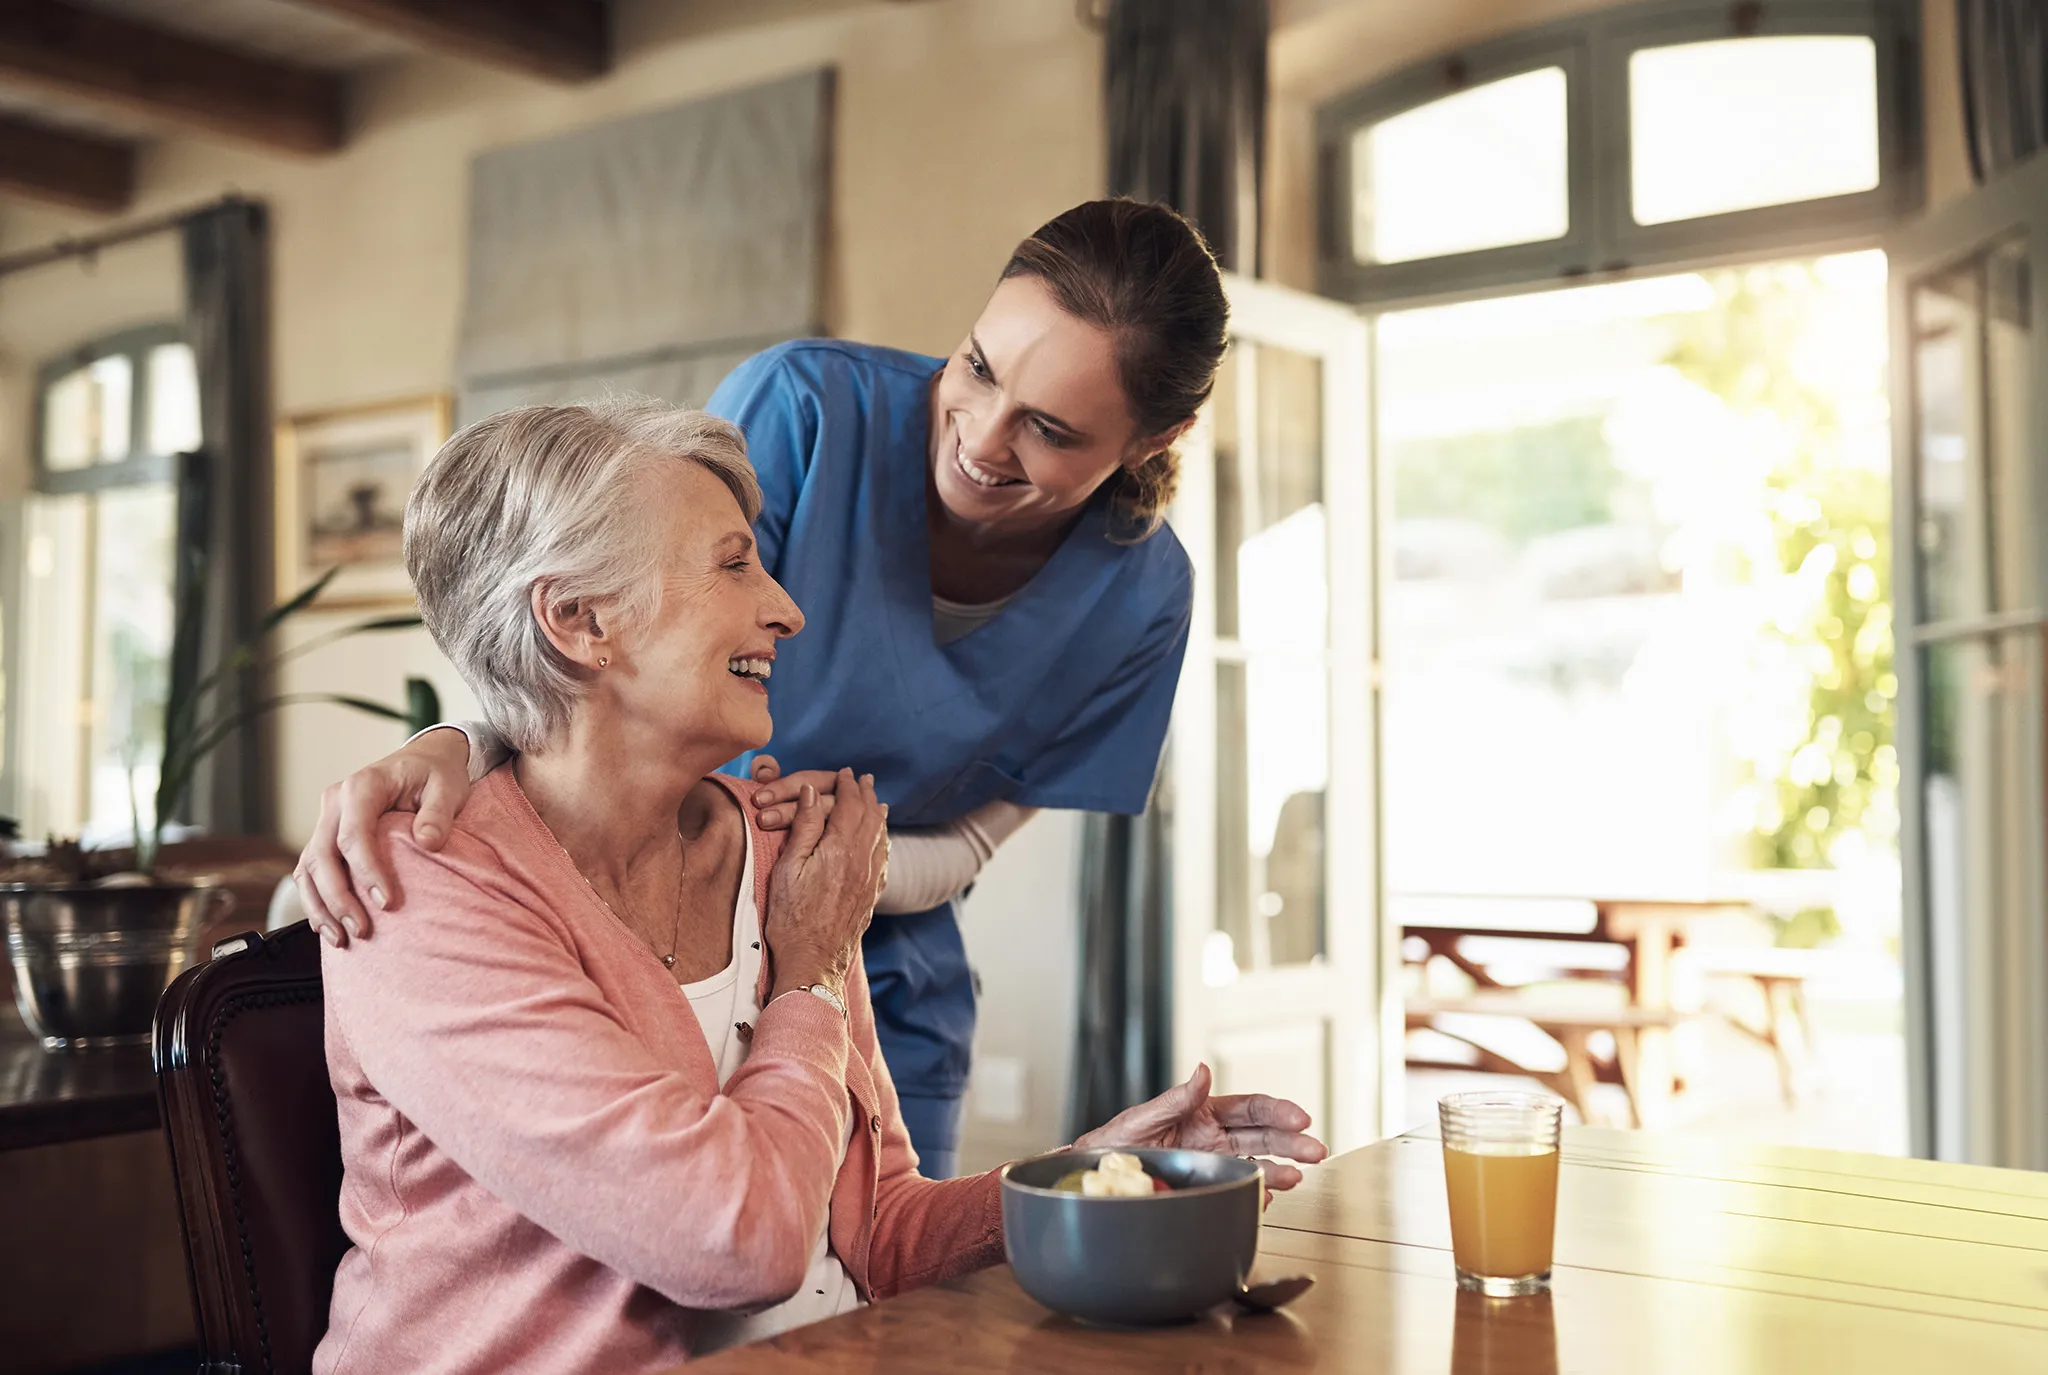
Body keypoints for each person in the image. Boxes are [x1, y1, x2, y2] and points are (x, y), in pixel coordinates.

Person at [313, 400, 1324, 1373]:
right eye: (733, 563)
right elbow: (738, 1243)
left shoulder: (778, 849)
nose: (785, 609)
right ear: (579, 621)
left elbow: (875, 1230)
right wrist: (803, 977)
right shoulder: (422, 889)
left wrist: (1088, 1178)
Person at [296, 198, 1227, 1177]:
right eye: (977, 368)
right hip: (659, 914)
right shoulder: (807, 409)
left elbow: (971, 845)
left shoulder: (1143, 593)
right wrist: (460, 744)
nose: (982, 441)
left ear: (1153, 440)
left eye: (1046, 428)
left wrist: (840, 882)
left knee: (890, 1288)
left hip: (886, 965)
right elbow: (611, 629)